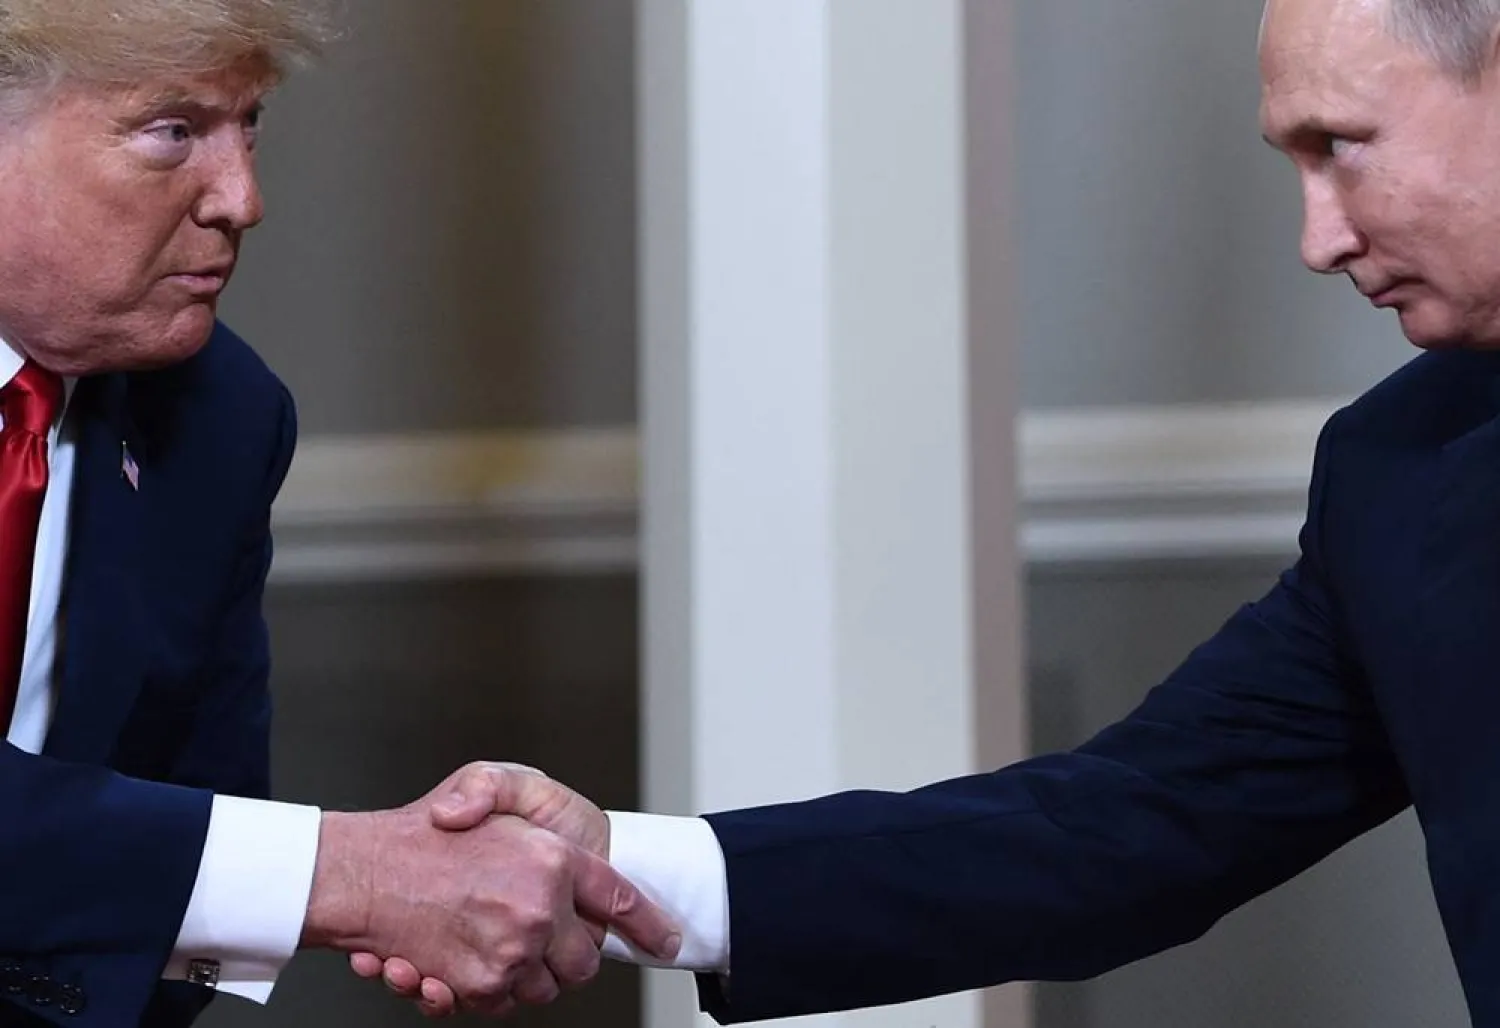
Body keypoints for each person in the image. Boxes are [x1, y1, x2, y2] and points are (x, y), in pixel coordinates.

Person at [359, 0, 1500, 1024]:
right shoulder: (1398, 471)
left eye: (1340, 148)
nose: (1319, 240)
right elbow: (1129, 827)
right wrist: (620, 868)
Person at [0, 3, 682, 1026]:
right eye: (173, 133)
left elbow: (204, 823)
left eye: (251, 124)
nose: (242, 199)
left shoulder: (222, 417)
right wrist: (355, 874)